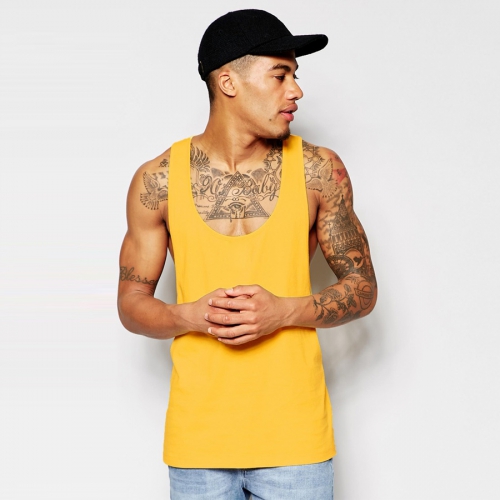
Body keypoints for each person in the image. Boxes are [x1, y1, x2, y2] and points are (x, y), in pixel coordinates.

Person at [117, 9, 377, 500]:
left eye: (295, 75)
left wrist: (284, 311)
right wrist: (189, 316)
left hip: (296, 441)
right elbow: (131, 303)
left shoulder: (319, 170)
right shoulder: (157, 181)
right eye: (280, 75)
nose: (296, 90)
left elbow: (363, 289)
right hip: (198, 443)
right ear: (228, 82)